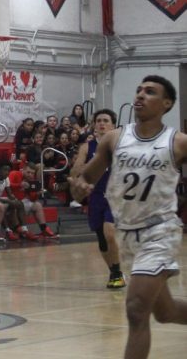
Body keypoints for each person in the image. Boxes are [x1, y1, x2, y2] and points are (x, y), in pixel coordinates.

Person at [72, 76, 187, 359]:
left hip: (159, 231)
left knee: (136, 309)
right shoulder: (115, 138)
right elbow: (86, 177)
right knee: (165, 312)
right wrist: (80, 185)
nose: (140, 95)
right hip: (128, 234)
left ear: (166, 103)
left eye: (150, 92)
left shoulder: (178, 142)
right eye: (138, 90)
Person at [71, 108, 125, 289]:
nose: (102, 123)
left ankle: (117, 273)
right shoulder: (87, 147)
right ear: (94, 124)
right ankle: (113, 271)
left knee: (110, 233)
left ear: (113, 125)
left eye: (106, 120)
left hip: (115, 196)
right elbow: (76, 171)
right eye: (99, 120)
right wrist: (82, 176)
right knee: (102, 240)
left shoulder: (121, 145)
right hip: (95, 197)